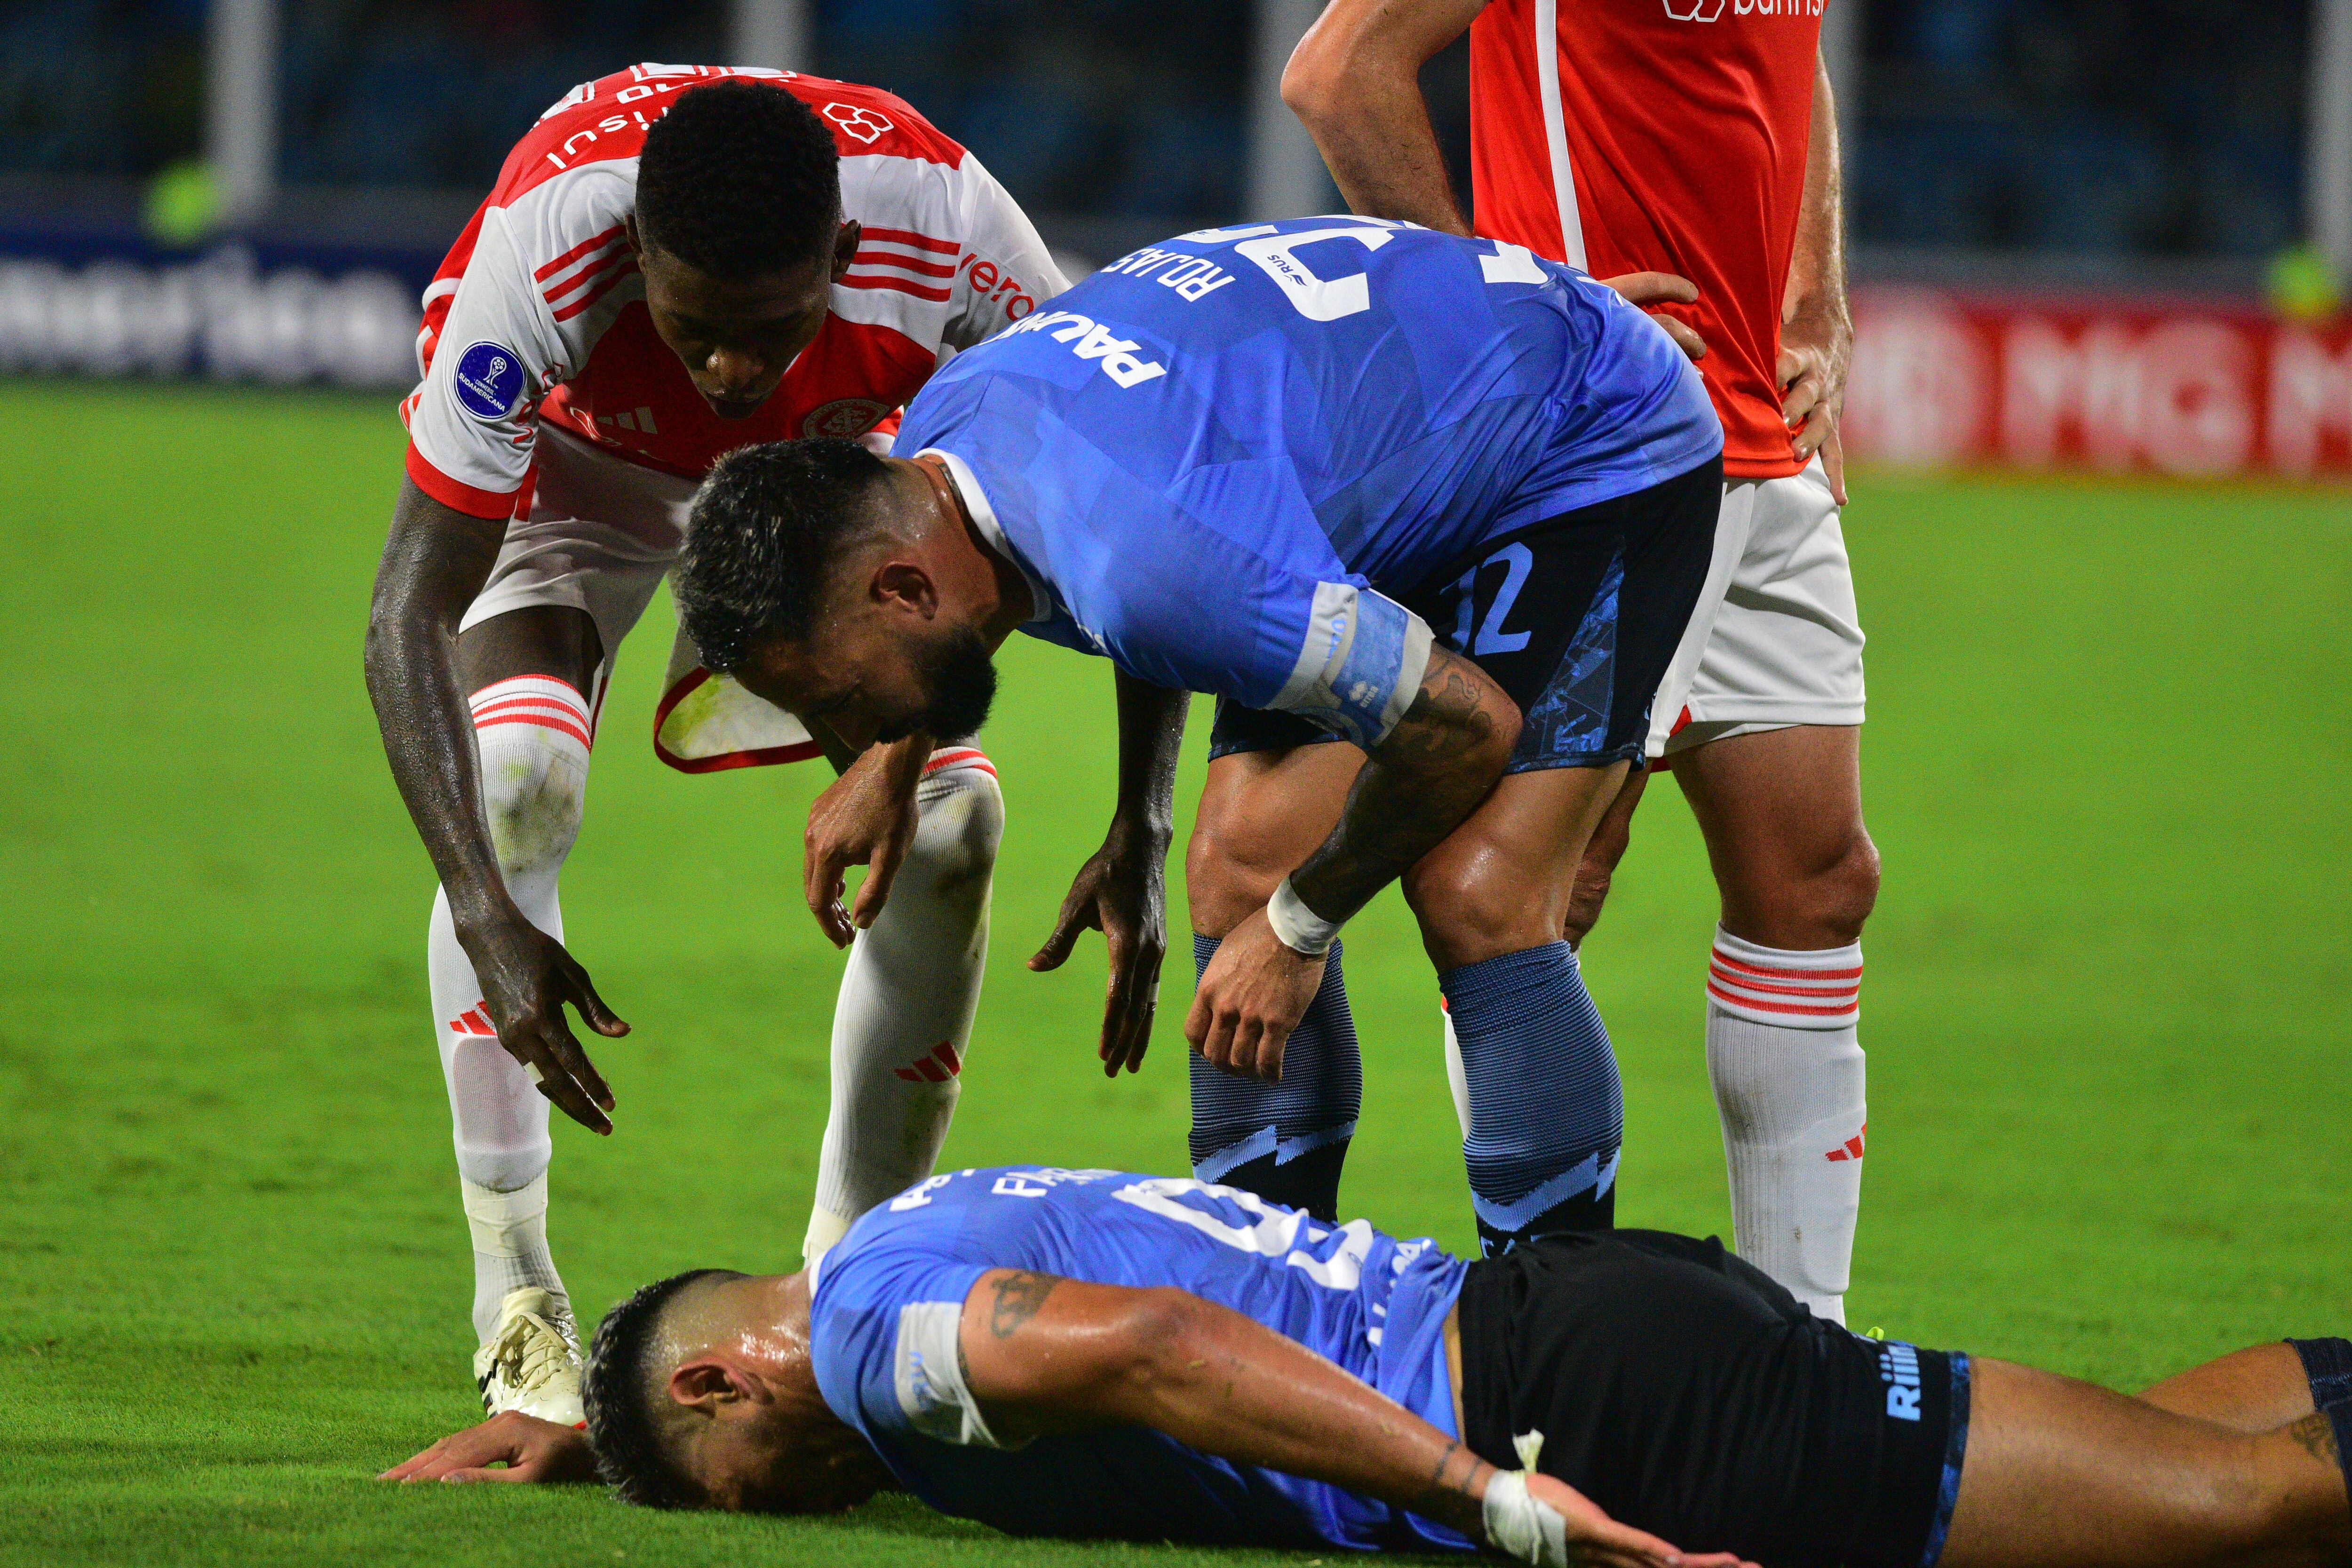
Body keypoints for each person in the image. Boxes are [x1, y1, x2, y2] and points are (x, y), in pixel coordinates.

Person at [670, 217, 1728, 1250]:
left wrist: (1299, 930)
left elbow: (1460, 730)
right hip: (1355, 460)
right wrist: (1135, 819)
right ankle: (1286, 1322)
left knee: (1479, 893)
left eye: (844, 699)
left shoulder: (1158, 569)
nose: (845, 733)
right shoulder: (943, 438)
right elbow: (1126, 563)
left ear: (902, 588)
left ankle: (1556, 1354)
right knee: (1235, 869)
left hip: (1586, 440)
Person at [363, 64, 1070, 1425]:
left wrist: (905, 747)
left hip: (822, 497)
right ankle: (515, 1299)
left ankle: (850, 1289)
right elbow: (407, 607)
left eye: (770, 327)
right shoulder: (549, 247)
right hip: (576, 474)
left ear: (844, 259)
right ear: (637, 255)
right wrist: (480, 903)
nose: (733, 369)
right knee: (515, 783)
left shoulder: (953, 229)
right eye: (696, 329)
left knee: (954, 828)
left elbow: (1063, 493)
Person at [383, 1161, 2352, 1568]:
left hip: (1570, 1414)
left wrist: (1481, 1492)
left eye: (765, 1478)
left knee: (2241, 1515)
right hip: (1580, 1314)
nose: (831, 1486)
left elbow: (1154, 1345)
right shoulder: (902, 1234)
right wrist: (593, 1427)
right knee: (2198, 1456)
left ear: (737, 1380)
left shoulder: (886, 1360)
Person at [1279, 0, 1877, 1319]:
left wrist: (1818, 288)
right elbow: (1338, 73)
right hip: (1607, 449)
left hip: (1764, 448)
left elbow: (1791, 65)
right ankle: (1555, 1334)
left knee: (1817, 882)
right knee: (1522, 892)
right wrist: (1513, 314)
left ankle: (1805, 1354)